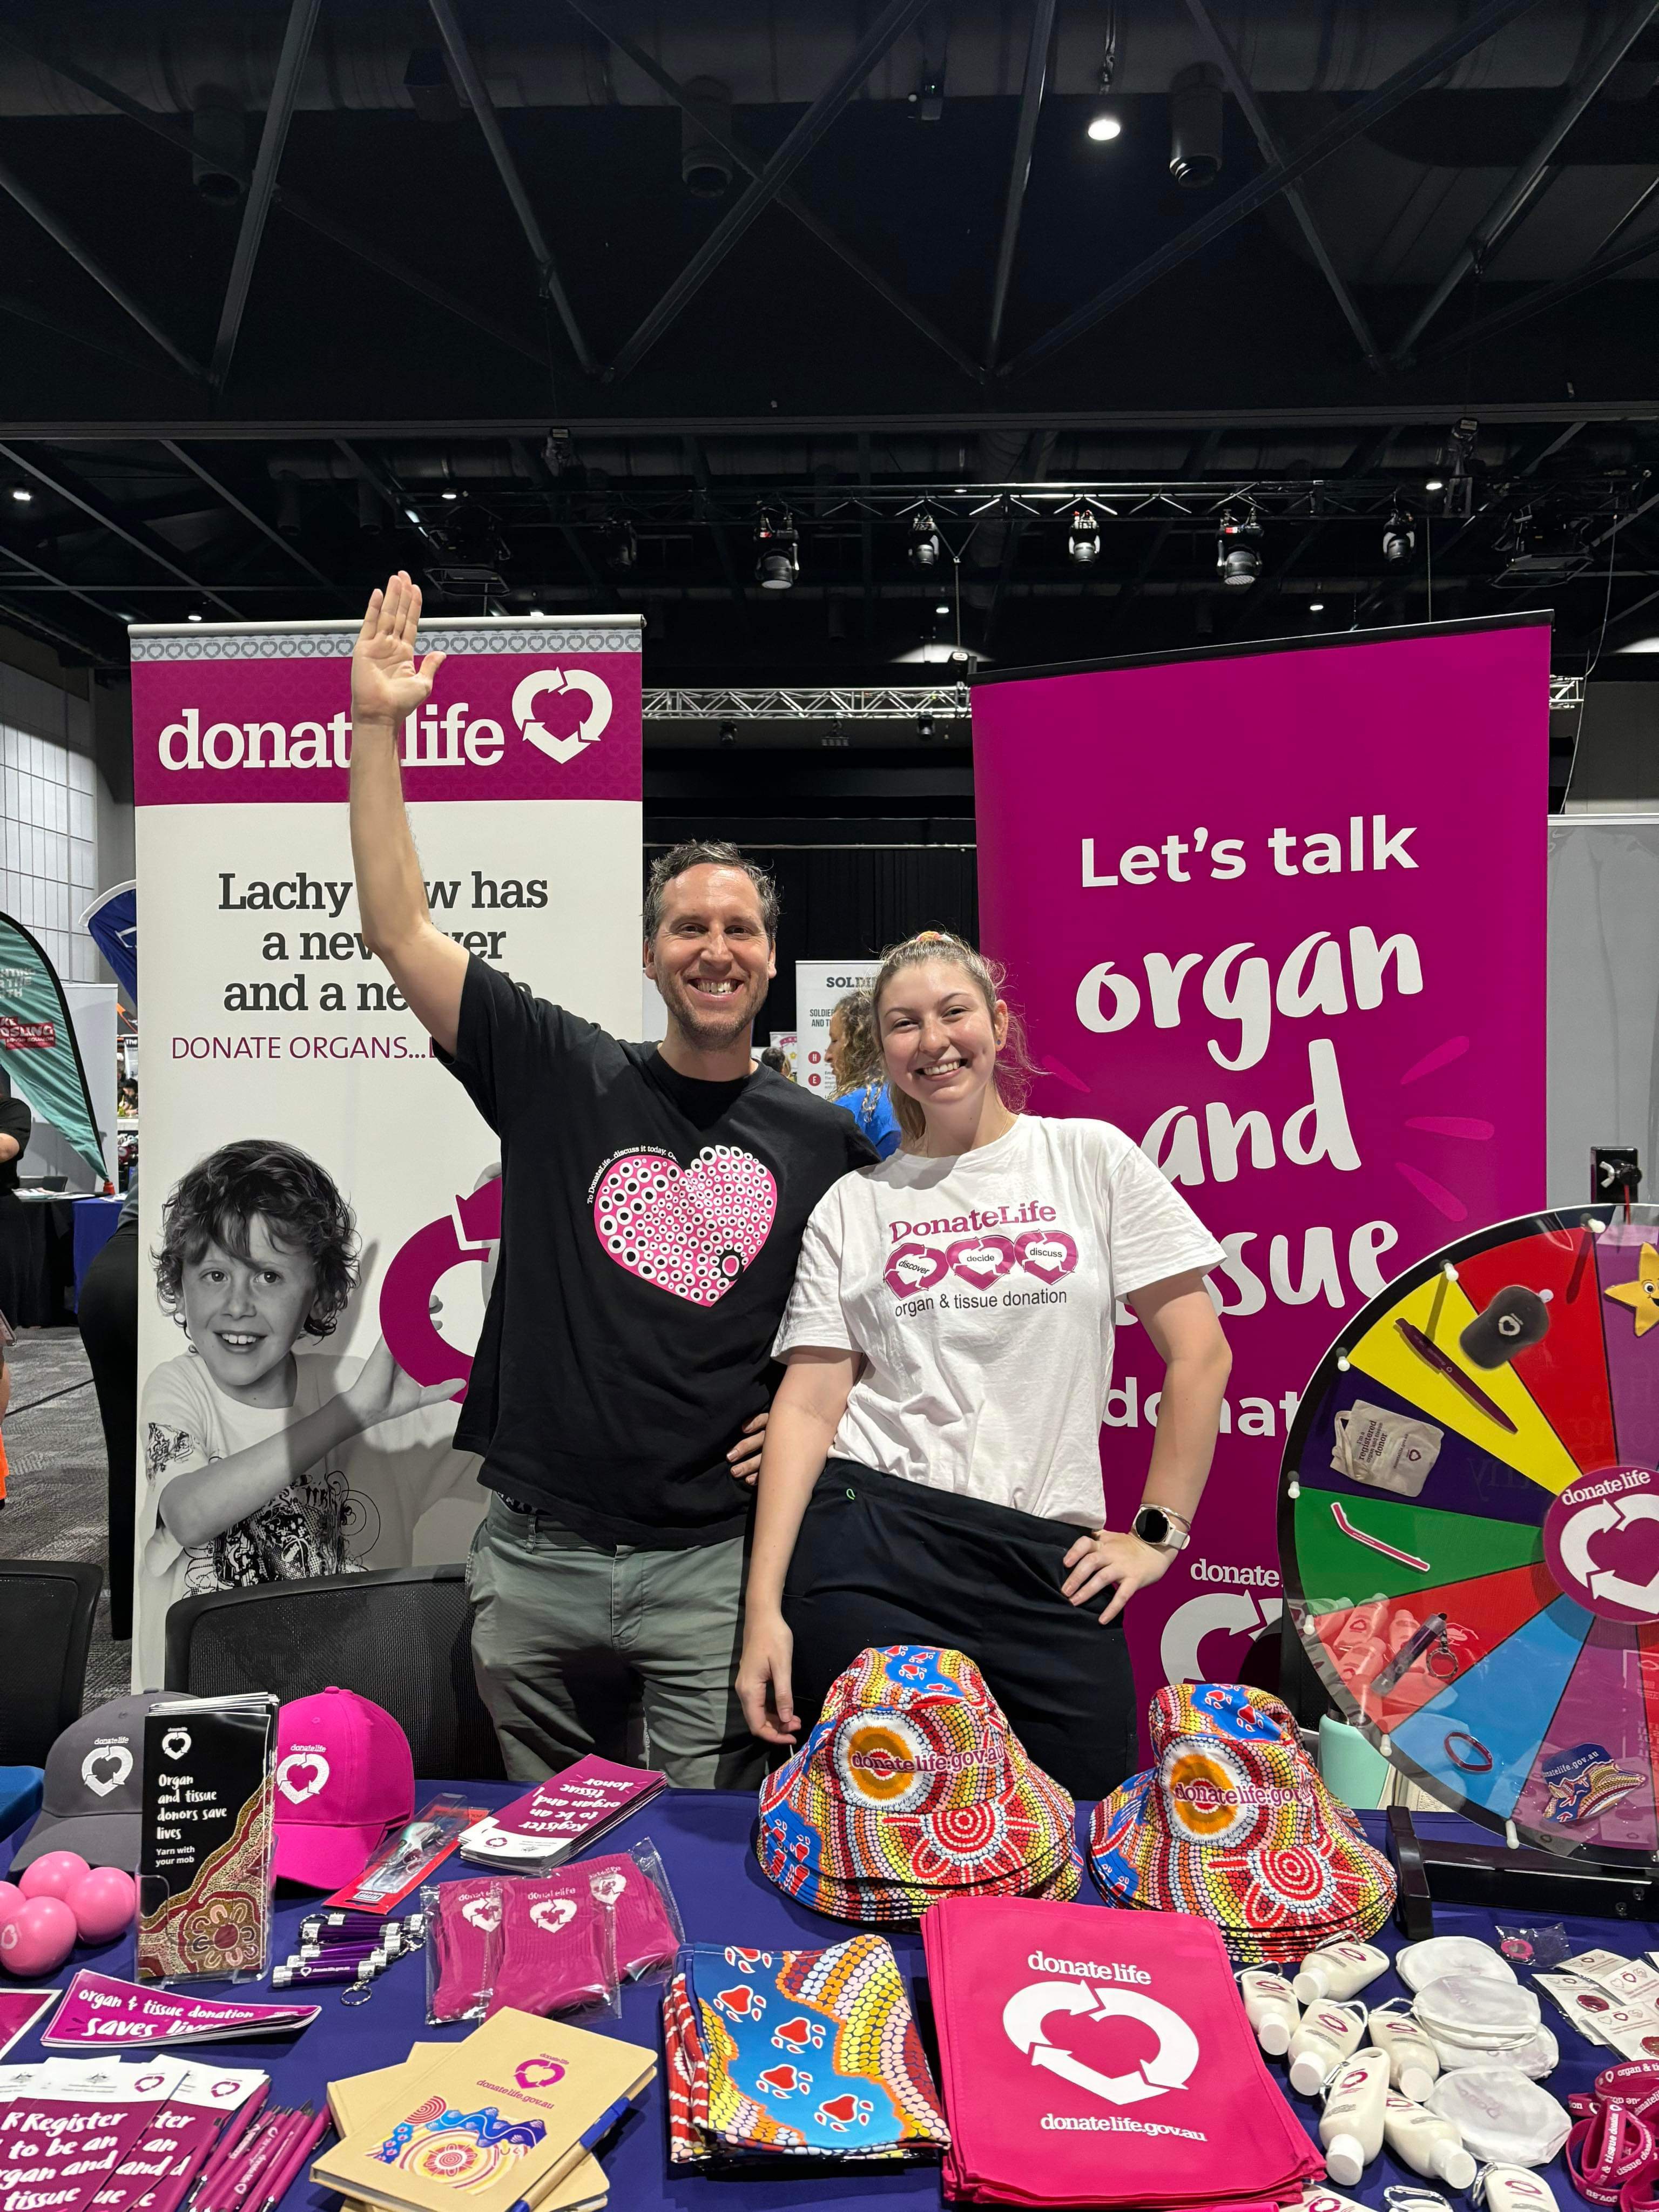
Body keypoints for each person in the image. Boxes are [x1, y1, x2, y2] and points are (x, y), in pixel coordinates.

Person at [347, 572, 875, 1786]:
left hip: (712, 1567)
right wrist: (379, 726)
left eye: (739, 928)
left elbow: (887, 1316)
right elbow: (397, 924)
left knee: (695, 1848)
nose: (716, 948)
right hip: (536, 1555)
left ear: (770, 956)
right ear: (651, 953)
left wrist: (821, 1417)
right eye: (689, 927)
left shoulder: (819, 1136)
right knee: (542, 1845)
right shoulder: (556, 1069)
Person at [736, 929, 1232, 1798]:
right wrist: (764, 1612)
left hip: (1046, 1558)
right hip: (872, 1546)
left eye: (953, 1012)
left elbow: (1200, 1352)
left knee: (1080, 1826)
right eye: (903, 1024)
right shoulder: (855, 1205)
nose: (933, 1042)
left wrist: (1157, 1537)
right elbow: (809, 1408)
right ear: (878, 1048)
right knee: (886, 1841)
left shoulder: (1091, 1158)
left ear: (997, 1023)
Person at [134, 1137, 473, 1689]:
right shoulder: (182, 1386)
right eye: (215, 1275)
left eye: (268, 1276)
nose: (237, 1304)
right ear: (180, 1284)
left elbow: (523, 1451)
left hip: (348, 1719)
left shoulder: (368, 1389)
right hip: (205, 1729)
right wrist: (352, 1412)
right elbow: (188, 1514)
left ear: (319, 1295)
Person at [825, 988, 900, 1160]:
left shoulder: (852, 1110)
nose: (828, 1055)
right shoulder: (910, 1100)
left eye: (835, 1041)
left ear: (860, 1045)